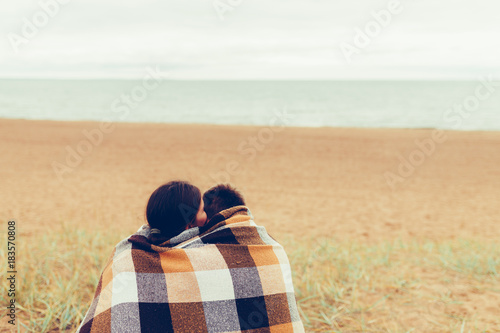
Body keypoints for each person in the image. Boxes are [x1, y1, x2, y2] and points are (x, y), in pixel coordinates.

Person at [77, 181, 304, 333]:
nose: (207, 214)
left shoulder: (129, 258)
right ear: (189, 222)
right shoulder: (257, 249)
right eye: (201, 209)